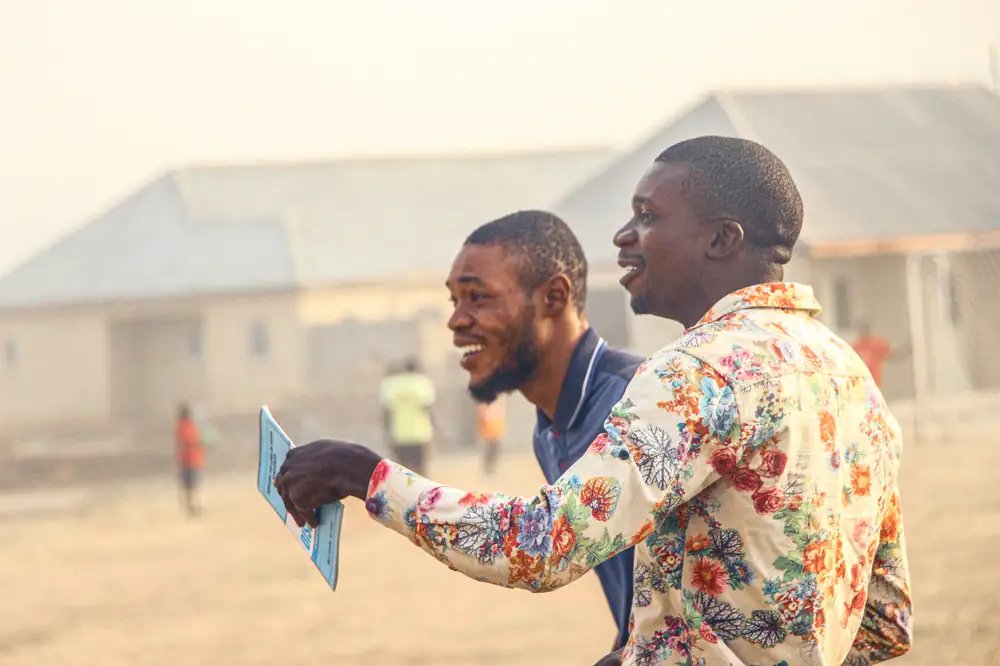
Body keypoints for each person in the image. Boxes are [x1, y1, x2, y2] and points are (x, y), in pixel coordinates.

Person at [275, 136, 912, 666]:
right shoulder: (849, 374)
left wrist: (364, 475)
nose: (622, 236)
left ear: (721, 240)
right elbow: (886, 621)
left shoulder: (696, 373)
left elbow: (544, 544)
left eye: (649, 217)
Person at [451, 210, 644, 650]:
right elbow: (640, 597)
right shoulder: (550, 430)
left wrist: (370, 478)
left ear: (554, 296)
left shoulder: (635, 403)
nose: (457, 321)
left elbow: (541, 549)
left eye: (477, 298)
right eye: (454, 301)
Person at [378, 357, 436, 475]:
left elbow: (386, 412)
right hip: (420, 433)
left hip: (399, 434)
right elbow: (428, 407)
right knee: (421, 470)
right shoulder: (422, 383)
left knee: (402, 472)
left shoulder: (390, 385)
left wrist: (386, 433)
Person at [174, 402, 204, 517]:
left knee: (189, 486)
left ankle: (190, 506)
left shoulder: (182, 427)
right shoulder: (188, 427)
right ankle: (191, 506)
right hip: (191, 461)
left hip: (188, 461)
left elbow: (186, 443)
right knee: (191, 486)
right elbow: (191, 442)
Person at [850, 323, 893, 387]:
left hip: (873, 380)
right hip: (860, 380)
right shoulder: (856, 346)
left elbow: (889, 353)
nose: (863, 333)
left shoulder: (877, 344)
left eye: (865, 331)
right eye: (861, 331)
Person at [476, 398, 505, 475]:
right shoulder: (484, 409)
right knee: (489, 453)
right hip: (488, 437)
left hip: (495, 436)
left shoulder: (496, 409)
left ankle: (491, 468)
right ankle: (487, 468)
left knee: (494, 453)